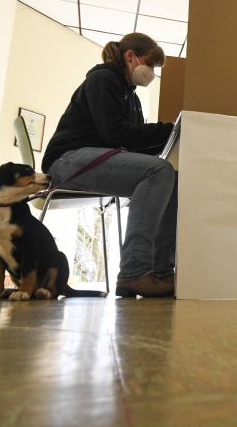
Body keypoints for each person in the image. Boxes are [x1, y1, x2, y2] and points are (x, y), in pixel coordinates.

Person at [42, 33, 177, 298]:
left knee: (172, 180)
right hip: (67, 161)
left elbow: (132, 140)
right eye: (149, 64)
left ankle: (160, 272)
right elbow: (117, 134)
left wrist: (170, 136)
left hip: (91, 160)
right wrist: (168, 130)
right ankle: (135, 272)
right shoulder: (103, 80)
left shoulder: (131, 97)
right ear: (130, 57)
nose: (150, 72)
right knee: (159, 171)